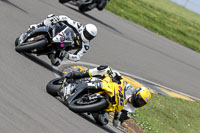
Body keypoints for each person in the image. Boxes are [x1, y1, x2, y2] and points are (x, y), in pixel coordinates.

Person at [58, 64, 151, 127]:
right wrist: (115, 76)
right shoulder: (130, 88)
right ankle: (77, 74)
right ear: (136, 94)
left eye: (142, 103)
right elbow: (120, 81)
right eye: (140, 100)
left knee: (104, 121)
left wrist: (118, 115)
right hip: (108, 88)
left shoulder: (130, 111)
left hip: (108, 106)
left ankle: (90, 106)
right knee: (103, 70)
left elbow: (116, 123)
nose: (139, 103)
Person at [29, 14, 98, 66]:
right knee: (51, 18)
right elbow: (66, 19)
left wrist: (67, 55)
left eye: (90, 36)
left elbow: (77, 57)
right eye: (87, 34)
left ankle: (50, 53)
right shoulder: (79, 26)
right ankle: (37, 25)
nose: (87, 37)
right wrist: (58, 18)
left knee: (56, 62)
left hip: (63, 46)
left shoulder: (86, 45)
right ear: (84, 29)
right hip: (61, 32)